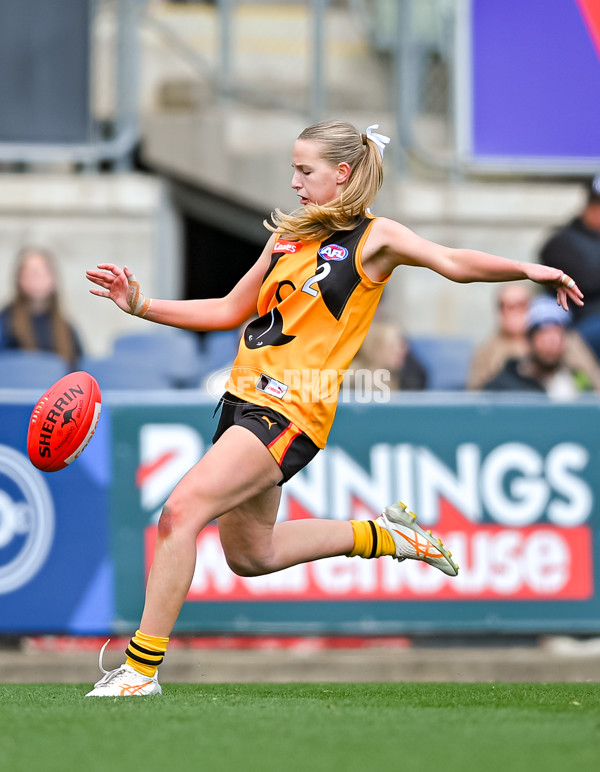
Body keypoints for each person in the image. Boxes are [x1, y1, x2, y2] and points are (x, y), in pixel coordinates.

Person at [85, 120, 583, 697]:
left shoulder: (375, 238)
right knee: (252, 555)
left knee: (179, 513)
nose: (294, 182)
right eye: (293, 170)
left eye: (305, 171)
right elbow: (228, 310)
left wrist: (526, 269)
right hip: (242, 399)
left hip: (290, 411)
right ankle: (386, 536)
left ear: (341, 174)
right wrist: (141, 304)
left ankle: (139, 672)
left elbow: (451, 260)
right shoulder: (287, 238)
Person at [468, 283, 600, 391]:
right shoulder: (489, 349)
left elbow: (592, 381)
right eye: (504, 306)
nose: (511, 312)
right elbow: (476, 393)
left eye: (519, 305)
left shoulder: (567, 340)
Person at [539, 174, 600, 358]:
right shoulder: (562, 242)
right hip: (582, 321)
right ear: (588, 206)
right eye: (596, 205)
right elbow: (587, 281)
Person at [0, 246, 83, 368]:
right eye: (29, 273)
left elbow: (78, 370)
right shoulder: (5, 323)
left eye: (41, 273)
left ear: (53, 279)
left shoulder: (66, 329)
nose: (35, 279)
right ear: (19, 279)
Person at [350, 321, 427, 391]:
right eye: (393, 345)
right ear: (376, 348)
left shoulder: (409, 379)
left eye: (402, 344)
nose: (404, 349)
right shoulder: (348, 379)